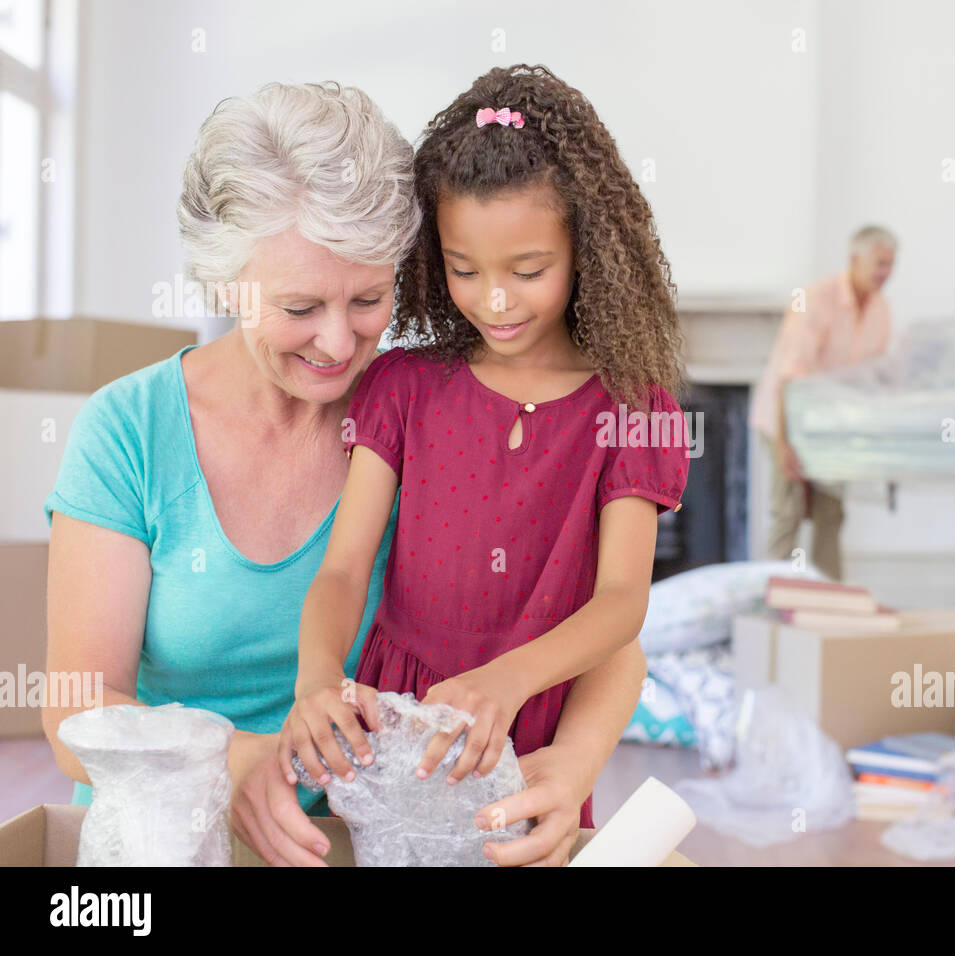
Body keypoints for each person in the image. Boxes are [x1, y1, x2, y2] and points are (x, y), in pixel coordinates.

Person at [41, 80, 651, 868]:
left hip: (362, 842)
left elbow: (602, 627)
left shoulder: (426, 414)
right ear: (224, 284)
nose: (337, 344)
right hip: (163, 843)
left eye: (368, 299)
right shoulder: (128, 432)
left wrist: (575, 762)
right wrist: (241, 765)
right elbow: (74, 715)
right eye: (299, 308)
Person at [279, 64, 691, 865]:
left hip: (535, 723)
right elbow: (343, 570)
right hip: (396, 725)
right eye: (465, 270)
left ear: (589, 251)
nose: (494, 300)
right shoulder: (404, 387)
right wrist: (315, 676)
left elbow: (620, 605)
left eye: (527, 271)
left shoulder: (633, 412)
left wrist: (507, 682)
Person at [749, 225, 896, 580]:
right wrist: (785, 445)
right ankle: (768, 596)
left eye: (890, 265)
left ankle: (831, 598)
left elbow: (871, 379)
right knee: (789, 511)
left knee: (831, 512)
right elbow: (789, 377)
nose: (885, 273)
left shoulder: (881, 310)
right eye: (879, 264)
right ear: (854, 260)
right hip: (785, 419)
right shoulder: (815, 300)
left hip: (831, 428)